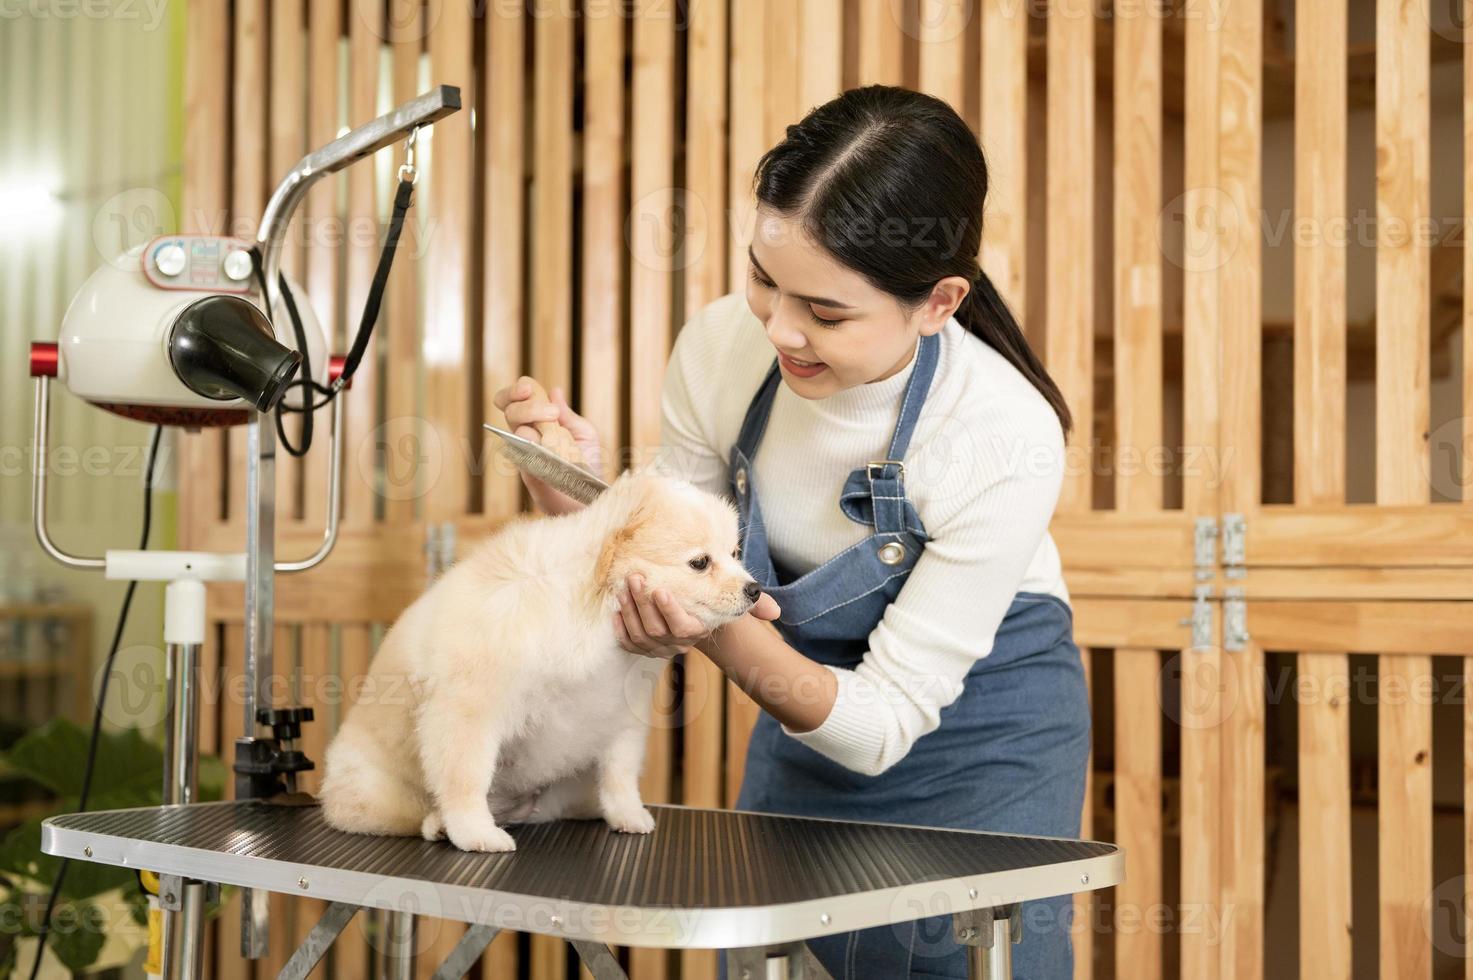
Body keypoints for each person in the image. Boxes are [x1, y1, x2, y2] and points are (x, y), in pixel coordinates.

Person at [493, 84, 1091, 980]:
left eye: (826, 312)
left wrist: (707, 622)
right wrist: (584, 506)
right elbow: (680, 553)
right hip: (803, 714)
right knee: (779, 956)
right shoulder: (720, 348)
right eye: (763, 279)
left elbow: (878, 723)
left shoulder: (999, 433)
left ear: (938, 301)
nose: (779, 328)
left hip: (980, 736)